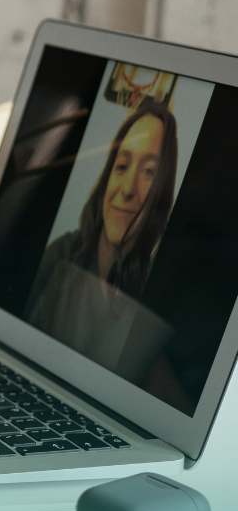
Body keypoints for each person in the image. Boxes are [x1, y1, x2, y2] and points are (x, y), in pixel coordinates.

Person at [26, 101, 179, 376]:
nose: (128, 189)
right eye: (122, 166)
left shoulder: (153, 291)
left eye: (148, 172)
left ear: (162, 191)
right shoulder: (60, 257)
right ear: (109, 173)